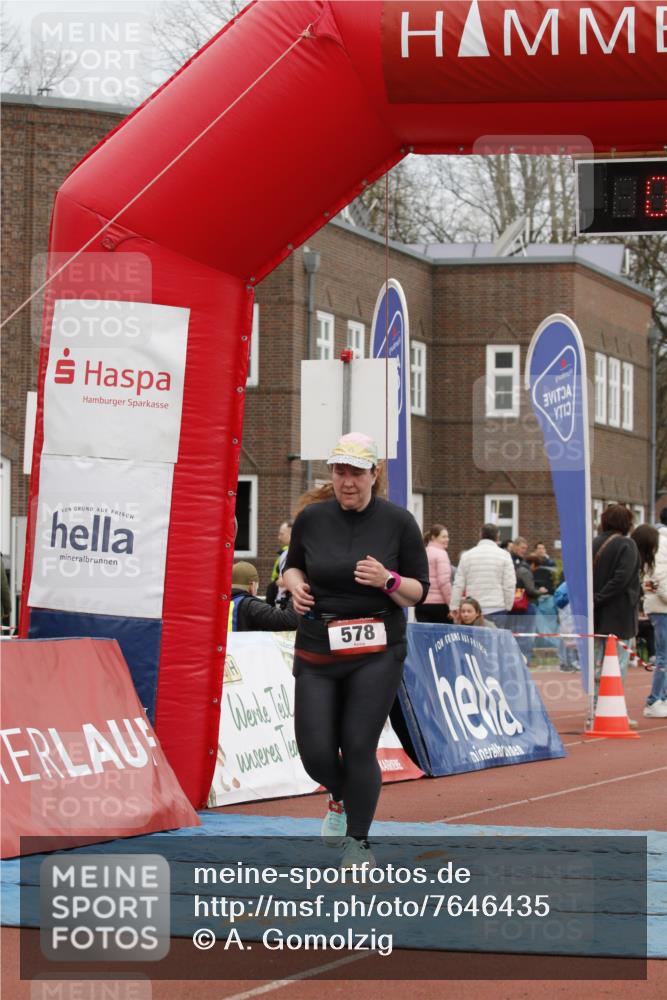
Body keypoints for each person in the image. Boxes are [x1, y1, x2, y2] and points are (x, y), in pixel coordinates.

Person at [282, 432, 429, 871]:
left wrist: (388, 580)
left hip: (377, 649)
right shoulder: (312, 518)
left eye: (357, 473)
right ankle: (339, 795)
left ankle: (358, 842)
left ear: (374, 474)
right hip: (318, 646)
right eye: (340, 472)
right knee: (315, 753)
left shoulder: (399, 522)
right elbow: (293, 565)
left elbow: (418, 591)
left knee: (358, 745)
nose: (347, 482)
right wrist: (294, 586)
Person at [593, 504, 641, 726]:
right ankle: (614, 709)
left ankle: (596, 706)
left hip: (596, 614)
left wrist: (594, 600)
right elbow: (622, 578)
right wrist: (602, 597)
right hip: (619, 613)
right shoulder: (627, 545)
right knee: (616, 665)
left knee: (598, 663)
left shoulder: (594, 543)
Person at [632, 520, 667, 718]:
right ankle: (655, 700)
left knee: (664, 655)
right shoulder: (662, 543)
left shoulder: (657, 543)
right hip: (662, 608)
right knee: (664, 656)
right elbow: (660, 578)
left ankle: (661, 697)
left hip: (658, 606)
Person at [450, 523, 516, 626]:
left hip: (473, 609)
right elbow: (509, 584)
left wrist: (454, 606)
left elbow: (458, 584)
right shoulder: (505, 555)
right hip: (497, 607)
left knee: (473, 637)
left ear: (480, 535)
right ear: (497, 536)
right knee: (496, 636)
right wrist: (508, 606)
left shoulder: (467, 555)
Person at [229, 561, 298, 631]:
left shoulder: (223, 604)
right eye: (257, 586)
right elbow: (290, 621)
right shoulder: (251, 606)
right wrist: (295, 588)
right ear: (252, 586)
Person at [415, 524, 452, 623]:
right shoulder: (441, 554)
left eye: (447, 537)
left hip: (421, 604)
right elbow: (444, 581)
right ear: (433, 537)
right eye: (443, 537)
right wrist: (451, 604)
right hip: (439, 606)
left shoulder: (422, 553)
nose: (447, 539)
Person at [266, 520, 293, 607]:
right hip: (279, 598)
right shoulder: (284, 552)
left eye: (282, 534)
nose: (279, 537)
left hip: (288, 600)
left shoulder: (294, 553)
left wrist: (276, 584)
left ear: (292, 534)